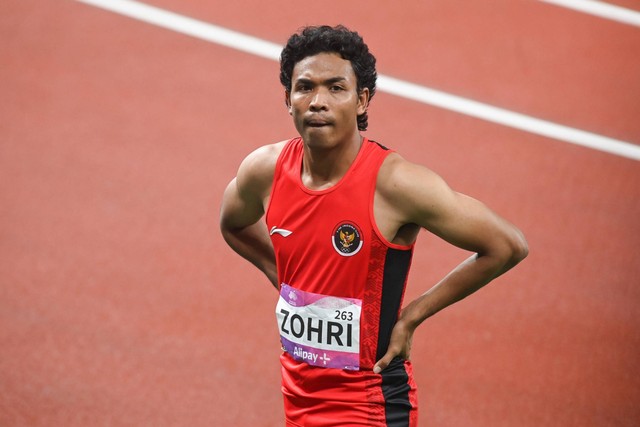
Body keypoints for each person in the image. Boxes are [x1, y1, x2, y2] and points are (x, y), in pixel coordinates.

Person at [219, 25, 528, 427]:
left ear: (362, 100)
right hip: (297, 395)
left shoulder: (395, 184)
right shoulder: (264, 171)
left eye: (335, 88)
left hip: (370, 403)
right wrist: (282, 275)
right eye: (305, 87)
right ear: (287, 100)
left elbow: (506, 245)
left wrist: (413, 315)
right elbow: (233, 224)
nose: (317, 102)